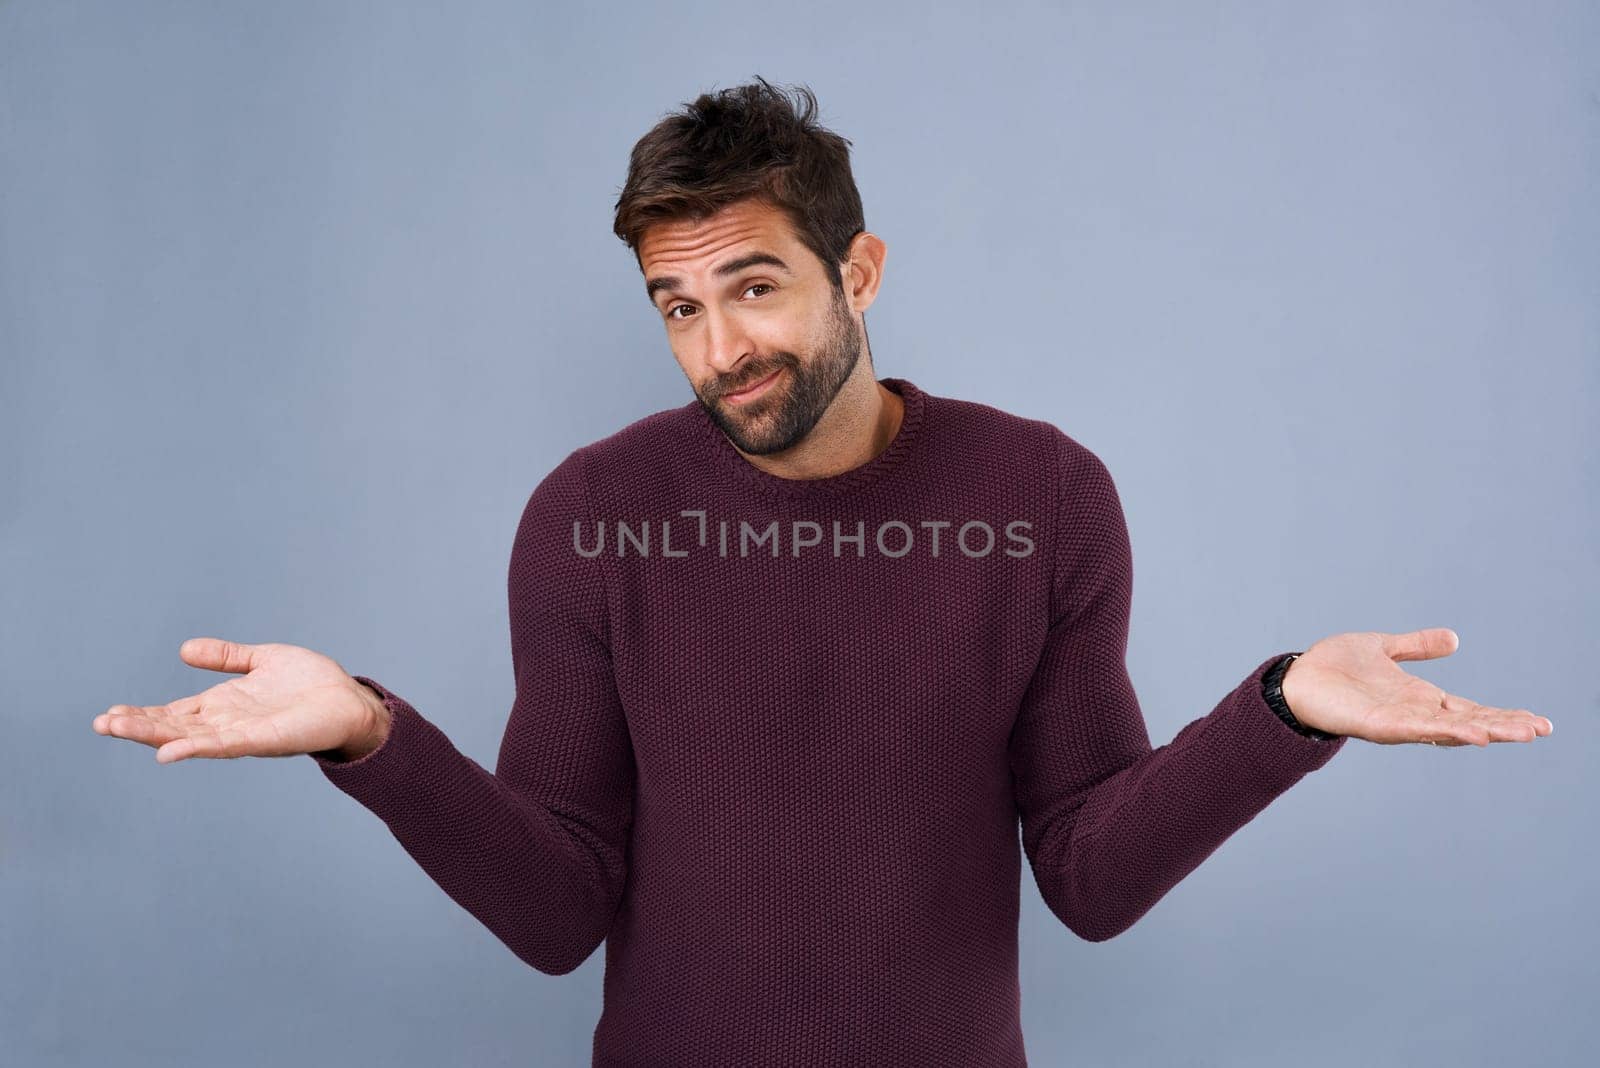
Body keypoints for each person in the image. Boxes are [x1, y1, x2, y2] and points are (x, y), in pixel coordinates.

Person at [93, 76, 1552, 1067]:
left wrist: (1282, 710)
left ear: (857, 274)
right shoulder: (594, 517)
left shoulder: (1038, 496)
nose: (719, 348)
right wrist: (368, 732)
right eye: (677, 305)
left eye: (755, 288)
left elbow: (1094, 875)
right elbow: (554, 913)